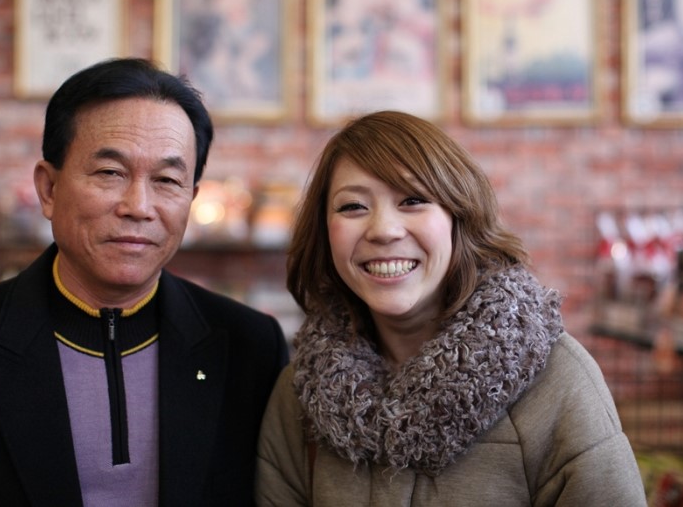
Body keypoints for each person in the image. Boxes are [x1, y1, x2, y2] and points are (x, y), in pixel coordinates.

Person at [0, 58, 289, 506]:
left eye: (167, 180)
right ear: (49, 189)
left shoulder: (251, 348)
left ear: (191, 198)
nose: (138, 206)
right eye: (110, 173)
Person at [255, 110, 646, 505]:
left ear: (460, 216)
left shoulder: (557, 382)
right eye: (353, 206)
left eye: (413, 200)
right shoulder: (300, 395)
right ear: (324, 231)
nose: (384, 230)